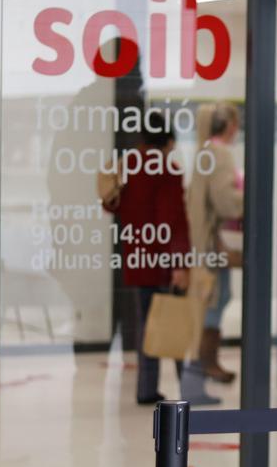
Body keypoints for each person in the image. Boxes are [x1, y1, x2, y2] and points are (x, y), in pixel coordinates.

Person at [98, 113, 190, 404]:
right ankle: (185, 386)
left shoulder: (129, 165)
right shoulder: (166, 169)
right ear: (168, 140)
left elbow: (114, 206)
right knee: (173, 322)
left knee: (146, 324)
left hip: (137, 257)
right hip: (162, 261)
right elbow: (171, 218)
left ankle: (147, 387)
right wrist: (179, 262)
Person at [183, 102, 244, 404]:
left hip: (201, 243)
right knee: (213, 304)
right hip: (213, 244)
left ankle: (207, 366)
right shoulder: (220, 153)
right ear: (229, 125)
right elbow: (226, 203)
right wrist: (249, 193)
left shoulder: (203, 150)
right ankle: (205, 366)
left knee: (210, 304)